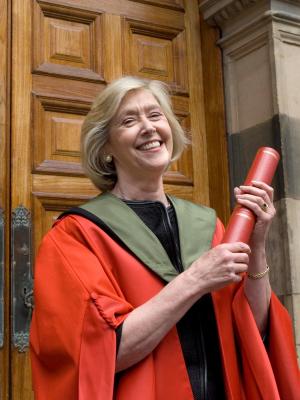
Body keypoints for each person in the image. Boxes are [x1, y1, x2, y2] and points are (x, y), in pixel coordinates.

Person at [30, 76, 299, 399]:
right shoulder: (77, 236)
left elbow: (252, 329)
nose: (148, 127)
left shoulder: (206, 225)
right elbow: (103, 353)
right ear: (105, 148)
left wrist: (256, 247)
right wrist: (196, 279)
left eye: (156, 116)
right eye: (129, 120)